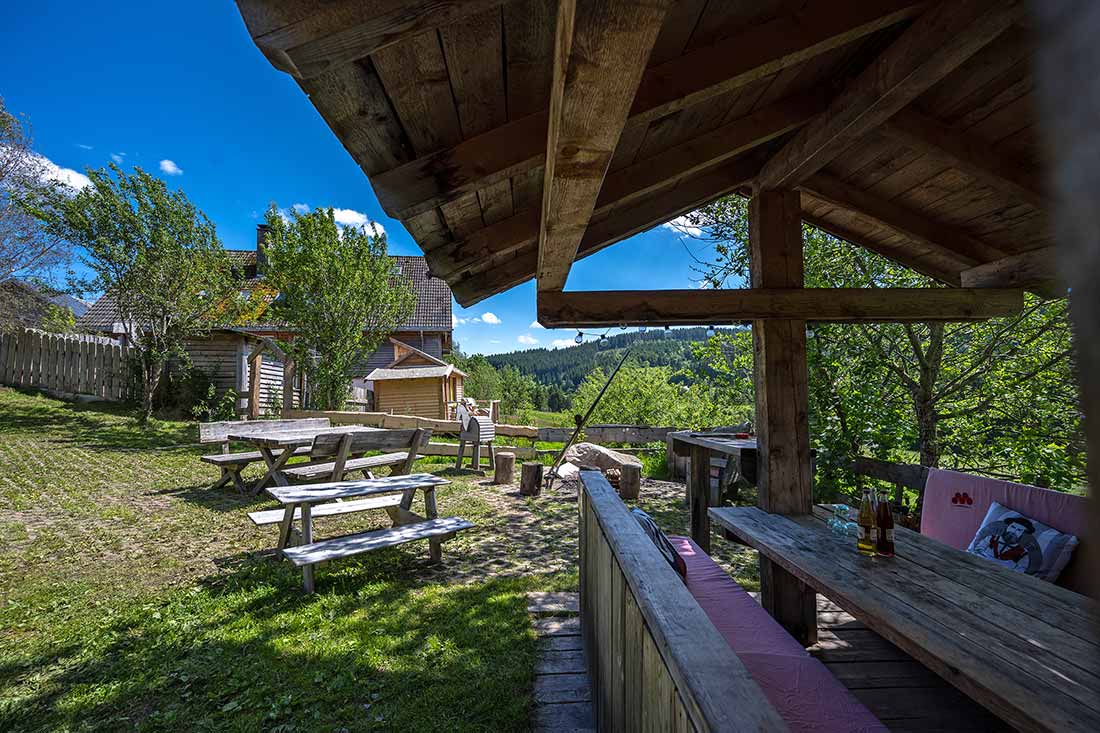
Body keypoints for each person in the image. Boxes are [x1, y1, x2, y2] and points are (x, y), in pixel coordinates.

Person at [969, 516, 1043, 574]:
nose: (1014, 531)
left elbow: (1019, 573)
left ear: (1022, 534)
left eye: (1019, 530)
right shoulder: (990, 538)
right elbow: (976, 552)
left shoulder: (1023, 554)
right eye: (1013, 527)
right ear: (1007, 527)